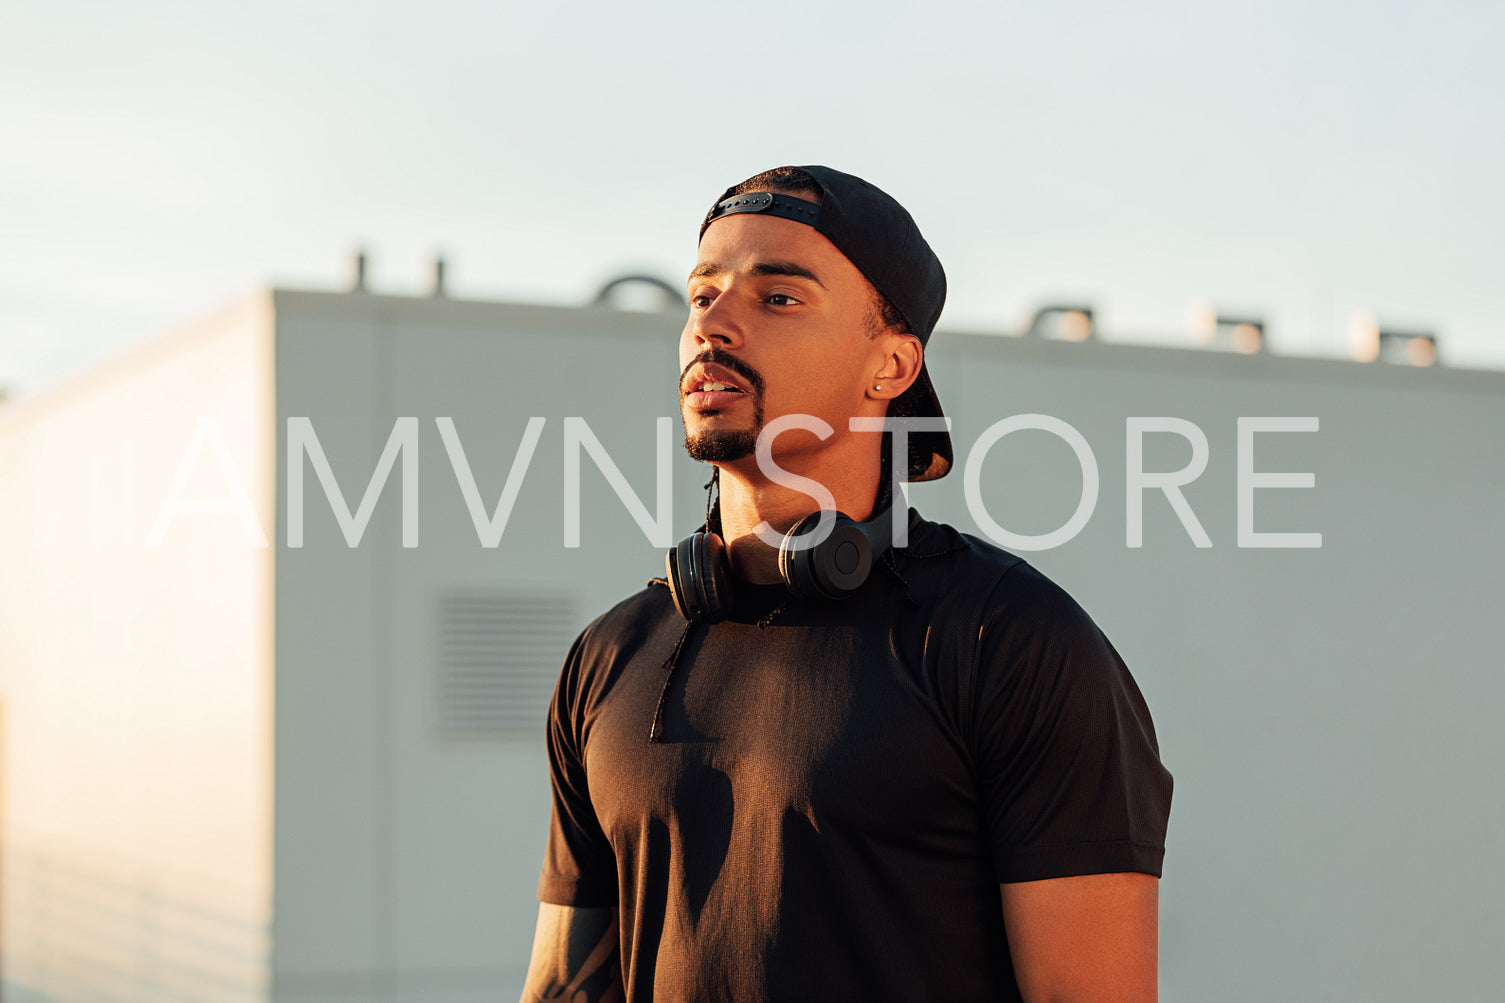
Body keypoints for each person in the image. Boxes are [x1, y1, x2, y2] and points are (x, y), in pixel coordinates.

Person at [520, 165, 1173, 1002]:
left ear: (892, 365)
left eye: (777, 298)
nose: (712, 325)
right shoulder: (611, 655)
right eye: (701, 295)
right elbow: (560, 989)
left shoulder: (1007, 641)